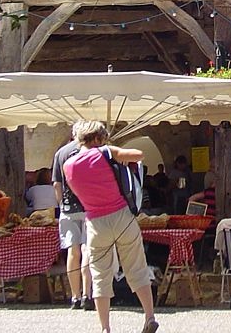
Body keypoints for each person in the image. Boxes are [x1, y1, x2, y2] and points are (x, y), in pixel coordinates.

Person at [63, 120, 158, 333]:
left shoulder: (68, 165)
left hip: (95, 222)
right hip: (122, 216)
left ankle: (105, 328)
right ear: (98, 138)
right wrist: (114, 153)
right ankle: (149, 316)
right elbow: (138, 155)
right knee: (137, 267)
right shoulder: (105, 152)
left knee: (100, 275)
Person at [52, 122, 93, 311]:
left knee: (72, 251)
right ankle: (87, 295)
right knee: (87, 250)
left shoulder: (61, 153)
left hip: (68, 208)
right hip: (89, 206)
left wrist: (61, 204)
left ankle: (75, 296)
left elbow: (56, 184)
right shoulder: (91, 151)